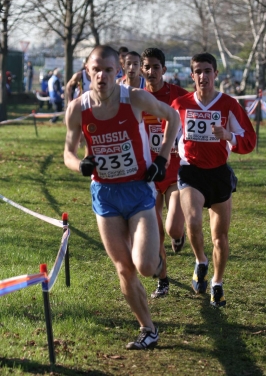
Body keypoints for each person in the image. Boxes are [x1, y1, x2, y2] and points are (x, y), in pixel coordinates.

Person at [64, 45, 180, 349]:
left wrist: (163, 159)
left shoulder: (136, 98)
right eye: (95, 69)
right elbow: (67, 152)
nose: (102, 75)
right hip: (105, 194)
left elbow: (173, 118)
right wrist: (80, 165)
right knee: (123, 268)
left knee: (143, 265)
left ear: (119, 71)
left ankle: (157, 263)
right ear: (87, 71)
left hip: (139, 189)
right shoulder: (78, 108)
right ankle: (148, 329)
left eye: (108, 69)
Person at [172, 52, 256, 307]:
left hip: (219, 173)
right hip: (191, 171)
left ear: (215, 74)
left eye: (207, 71)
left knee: (220, 236)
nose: (202, 76)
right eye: (198, 71)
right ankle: (201, 261)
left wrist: (228, 135)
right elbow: (168, 134)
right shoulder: (181, 104)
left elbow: (249, 141)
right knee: (194, 223)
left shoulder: (229, 105)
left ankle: (217, 283)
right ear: (192, 75)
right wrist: (172, 147)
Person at [140, 47, 188, 298]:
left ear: (164, 69)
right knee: (155, 230)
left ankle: (179, 237)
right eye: (146, 67)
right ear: (141, 69)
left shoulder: (179, 96)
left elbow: (198, 112)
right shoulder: (135, 97)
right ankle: (163, 281)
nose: (151, 72)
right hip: (148, 172)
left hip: (174, 170)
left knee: (173, 229)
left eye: (155, 67)